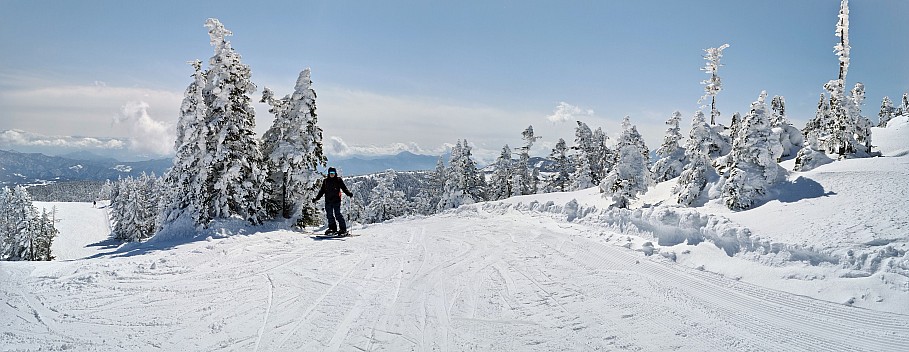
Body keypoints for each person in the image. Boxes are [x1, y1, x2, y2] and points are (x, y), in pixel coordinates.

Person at [312, 167, 353, 236]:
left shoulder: (338, 180)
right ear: (328, 173)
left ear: (335, 173)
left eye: (333, 173)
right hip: (328, 201)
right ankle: (333, 229)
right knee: (329, 215)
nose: (332, 174)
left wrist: (348, 193)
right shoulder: (325, 181)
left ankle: (343, 229)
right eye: (331, 173)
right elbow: (322, 191)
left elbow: (344, 188)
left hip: (336, 201)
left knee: (338, 215)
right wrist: (316, 198)